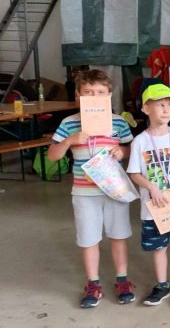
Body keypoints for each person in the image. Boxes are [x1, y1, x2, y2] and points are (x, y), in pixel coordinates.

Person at [48, 69, 135, 308]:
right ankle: (93, 283)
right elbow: (53, 155)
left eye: (100, 92)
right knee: (88, 238)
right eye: (88, 92)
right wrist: (69, 141)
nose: (94, 97)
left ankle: (122, 280)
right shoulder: (69, 124)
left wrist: (123, 151)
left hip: (115, 190)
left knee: (118, 235)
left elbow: (131, 149)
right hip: (84, 192)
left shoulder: (118, 122)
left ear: (109, 95)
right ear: (78, 96)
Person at [127, 84, 170, 307]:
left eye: (169, 105)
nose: (167, 110)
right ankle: (162, 285)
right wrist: (151, 187)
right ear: (146, 109)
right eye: (160, 105)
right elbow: (134, 173)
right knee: (158, 248)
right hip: (154, 209)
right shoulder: (140, 141)